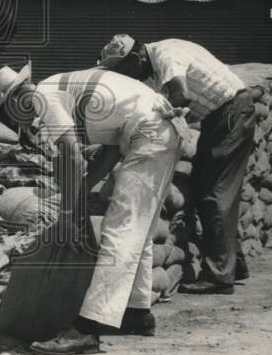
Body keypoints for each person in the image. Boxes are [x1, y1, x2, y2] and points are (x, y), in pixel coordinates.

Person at [0, 63, 184, 355]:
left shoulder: (42, 97)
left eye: (5, 113)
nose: (11, 123)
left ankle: (88, 329)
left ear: (17, 98)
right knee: (138, 229)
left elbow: (72, 157)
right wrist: (82, 192)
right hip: (157, 127)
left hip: (150, 130)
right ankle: (137, 313)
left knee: (122, 228)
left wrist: (69, 215)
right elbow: (111, 149)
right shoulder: (60, 89)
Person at [98, 35, 256, 294]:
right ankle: (234, 264)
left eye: (125, 70)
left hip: (229, 115)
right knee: (213, 189)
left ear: (137, 58)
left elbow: (181, 94)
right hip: (226, 115)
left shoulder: (166, 56)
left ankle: (219, 277)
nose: (129, 77)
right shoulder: (157, 63)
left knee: (213, 194)